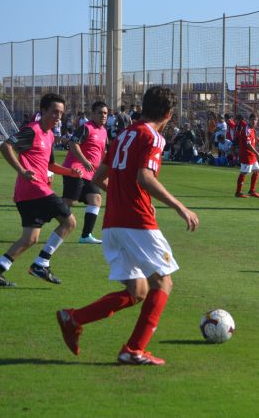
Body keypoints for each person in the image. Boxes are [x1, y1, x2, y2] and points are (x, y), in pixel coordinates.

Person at [56, 86, 199, 365]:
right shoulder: (153, 136)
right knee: (163, 282)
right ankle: (133, 349)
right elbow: (144, 177)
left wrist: (124, 195)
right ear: (169, 114)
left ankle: (74, 318)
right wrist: (180, 207)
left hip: (112, 225)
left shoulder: (124, 134)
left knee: (138, 292)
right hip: (136, 221)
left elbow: (98, 177)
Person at [0, 93, 83, 287]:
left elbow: (51, 165)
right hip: (35, 190)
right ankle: (41, 264)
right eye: (54, 112)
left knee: (30, 238)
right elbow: (6, 146)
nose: (58, 116)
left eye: (61, 113)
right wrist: (22, 170)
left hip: (26, 195)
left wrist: (70, 172)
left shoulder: (50, 134)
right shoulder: (32, 130)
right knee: (69, 222)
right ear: (43, 110)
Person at [62, 101, 109, 245]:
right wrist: (84, 161)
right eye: (100, 113)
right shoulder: (86, 128)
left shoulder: (104, 131)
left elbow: (102, 154)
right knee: (69, 202)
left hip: (91, 174)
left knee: (96, 199)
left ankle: (86, 235)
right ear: (92, 114)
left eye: (105, 113)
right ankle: (44, 209)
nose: (103, 116)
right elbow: (73, 144)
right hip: (76, 170)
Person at [235, 113, 259, 198]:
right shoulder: (246, 129)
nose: (254, 121)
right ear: (249, 120)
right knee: (244, 172)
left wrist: (257, 138)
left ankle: (252, 190)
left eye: (256, 120)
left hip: (251, 155)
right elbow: (248, 144)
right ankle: (238, 192)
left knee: (257, 170)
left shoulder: (252, 128)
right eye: (253, 120)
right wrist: (257, 153)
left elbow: (251, 136)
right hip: (246, 154)